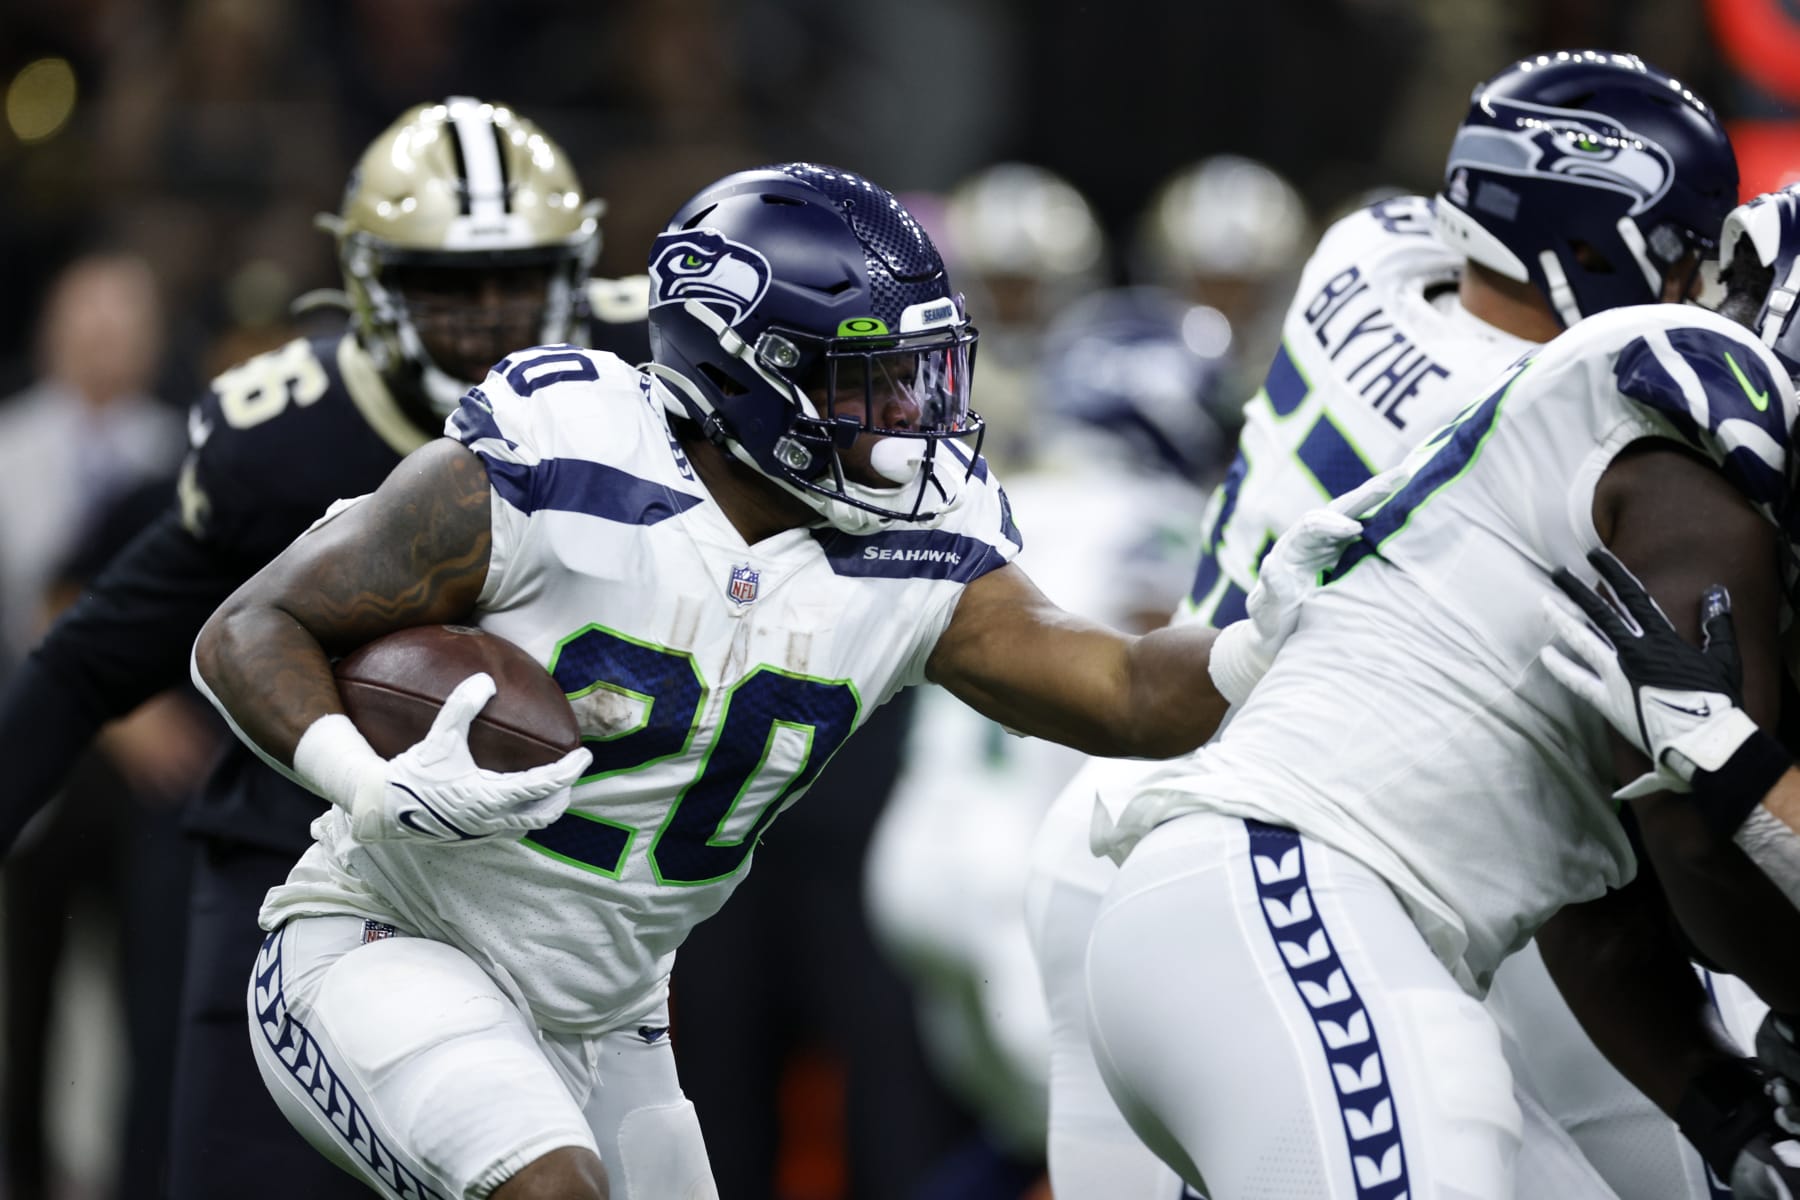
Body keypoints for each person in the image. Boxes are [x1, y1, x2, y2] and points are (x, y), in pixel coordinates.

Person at [190, 161, 1364, 1200]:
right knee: (546, 1188)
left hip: (609, 1014)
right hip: (394, 937)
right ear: (745, 371)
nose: (911, 417)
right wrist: (365, 779)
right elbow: (251, 624)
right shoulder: (566, 457)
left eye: (922, 374)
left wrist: (1253, 641)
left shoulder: (921, 544)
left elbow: (1124, 691)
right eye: (870, 382)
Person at [1023, 48, 1751, 1200]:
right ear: (1597, 246)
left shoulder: (1361, 257)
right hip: (1305, 841)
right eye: (1684, 250)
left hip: (1113, 832)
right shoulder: (1562, 420)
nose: (1698, 289)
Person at [0, 96, 627, 1200]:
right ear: (371, 285)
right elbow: (90, 656)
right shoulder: (283, 434)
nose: (487, 318)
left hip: (546, 890)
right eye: (446, 285)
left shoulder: (642, 400)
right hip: (294, 871)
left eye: (516, 281)